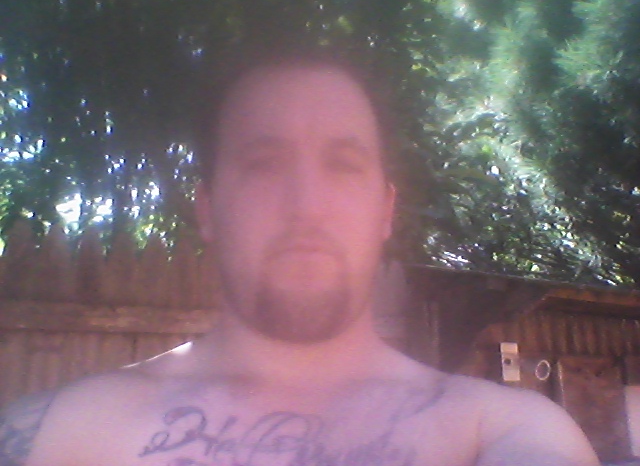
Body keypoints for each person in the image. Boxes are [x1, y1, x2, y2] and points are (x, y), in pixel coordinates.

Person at [0, 48, 600, 466]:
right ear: (207, 209)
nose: (306, 205)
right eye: (263, 164)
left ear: (385, 209)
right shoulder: (62, 433)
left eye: (343, 164)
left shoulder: (502, 431)